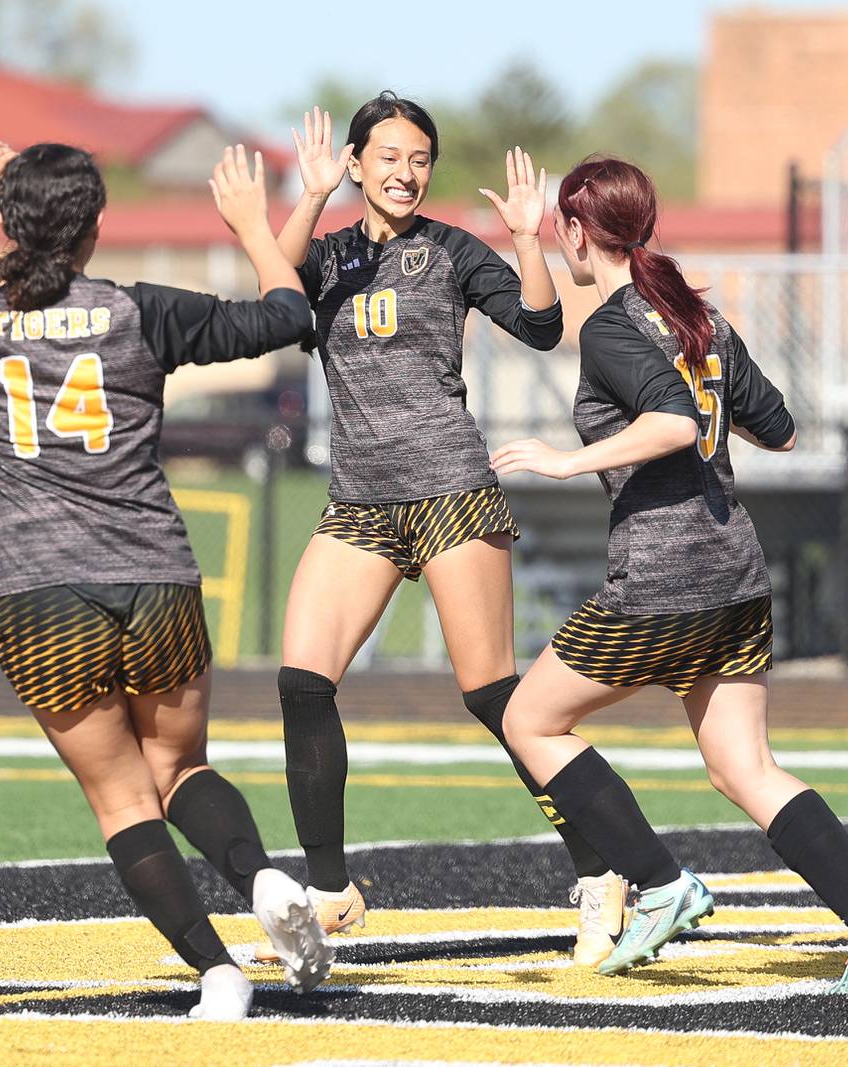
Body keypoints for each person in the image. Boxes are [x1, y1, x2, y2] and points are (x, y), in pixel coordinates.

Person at [0, 139, 333, 1020]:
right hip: (155, 573)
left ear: (9, 221)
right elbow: (283, 314)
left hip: (39, 592)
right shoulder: (137, 310)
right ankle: (263, 877)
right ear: (95, 225)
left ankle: (217, 973)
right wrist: (248, 224)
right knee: (182, 766)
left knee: (122, 797)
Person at [495, 155, 848, 994]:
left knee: (531, 721)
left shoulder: (614, 329)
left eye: (560, 231)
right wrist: (528, 242)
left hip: (663, 580)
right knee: (743, 768)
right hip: (737, 576)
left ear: (579, 234)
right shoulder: (697, 317)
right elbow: (784, 430)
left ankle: (660, 885)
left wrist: (564, 461)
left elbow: (669, 418)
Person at [263, 92, 627, 967]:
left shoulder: (455, 250)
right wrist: (306, 199)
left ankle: (601, 869)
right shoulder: (326, 253)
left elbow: (541, 328)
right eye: (386, 155)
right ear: (354, 164)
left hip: (451, 492)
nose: (404, 171)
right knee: (302, 683)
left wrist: (530, 240)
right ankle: (329, 890)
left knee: (495, 697)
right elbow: (273, 300)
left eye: (419, 157)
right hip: (359, 503)